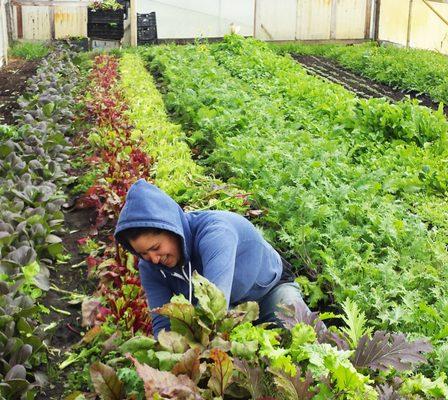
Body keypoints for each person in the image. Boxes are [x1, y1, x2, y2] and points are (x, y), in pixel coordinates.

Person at [114, 179, 311, 337]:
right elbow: (162, 319)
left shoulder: (215, 234)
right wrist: (171, 356)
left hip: (268, 292)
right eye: (143, 253)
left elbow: (214, 307)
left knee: (302, 328)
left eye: (156, 248)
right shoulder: (149, 265)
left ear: (172, 230)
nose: (153, 259)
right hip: (230, 311)